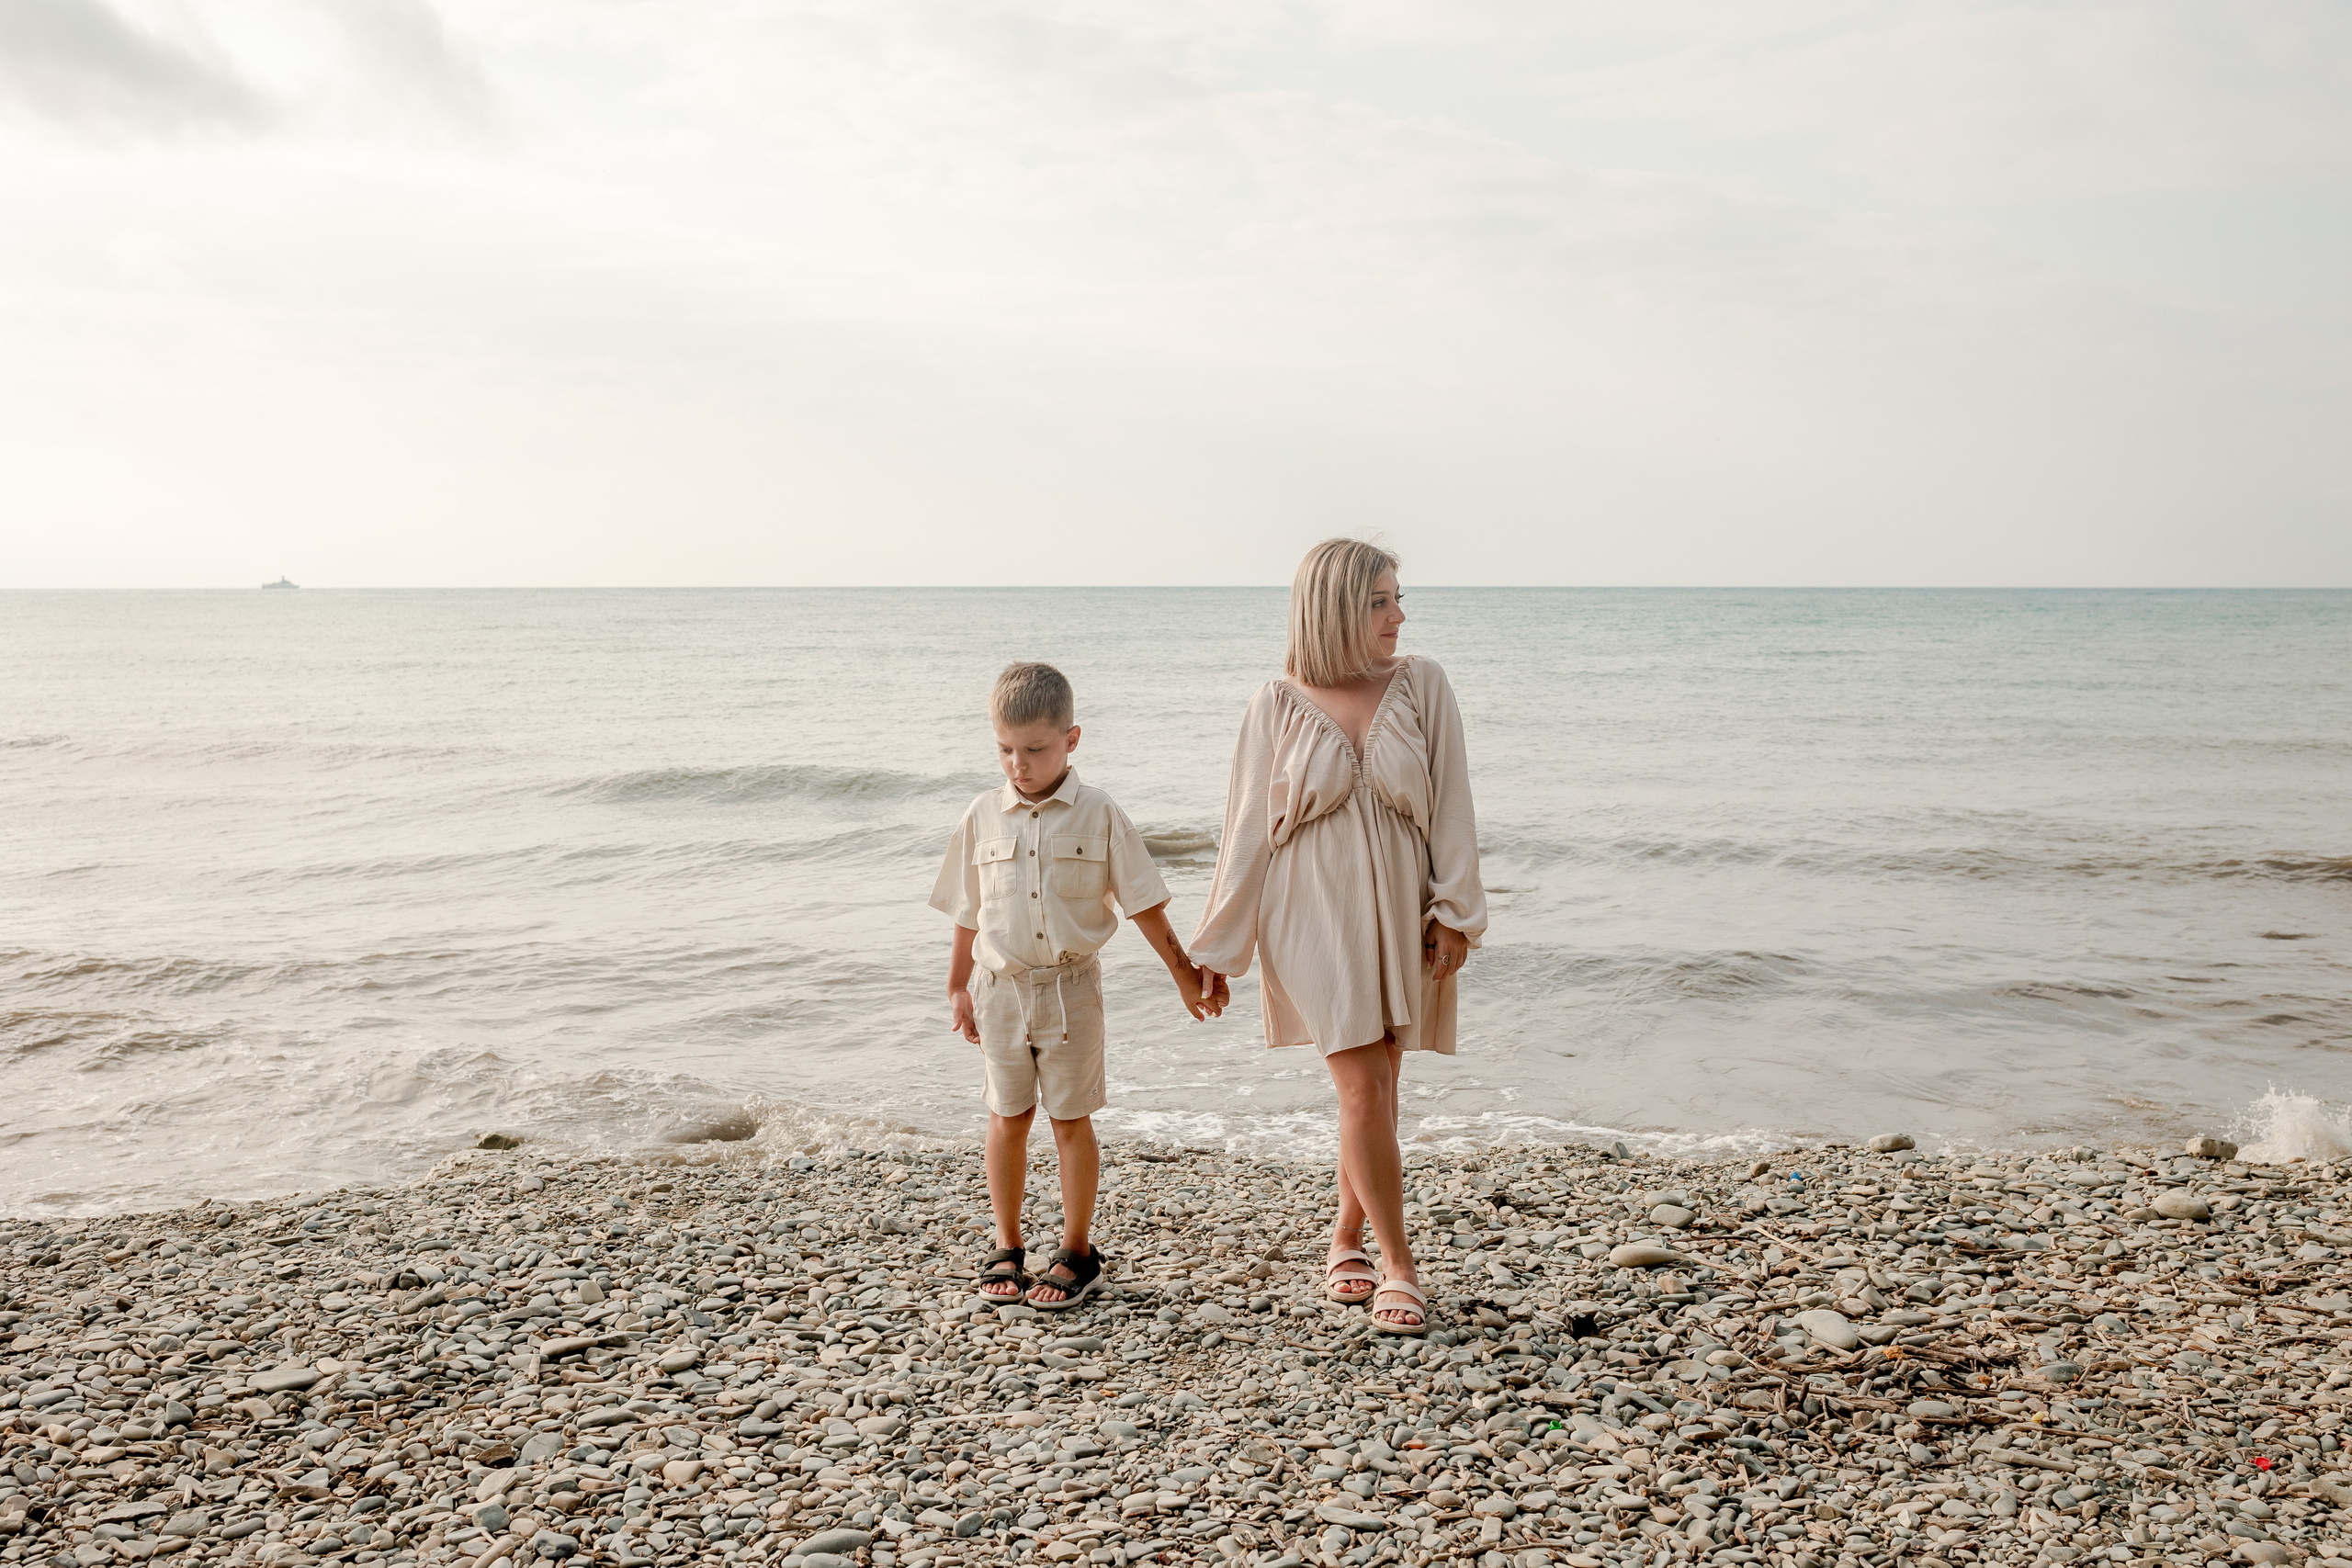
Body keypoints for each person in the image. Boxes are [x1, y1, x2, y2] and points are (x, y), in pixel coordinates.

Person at [1189, 540, 1486, 1334]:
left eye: (1398, 598)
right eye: (1382, 600)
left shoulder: (1422, 683)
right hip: (1307, 909)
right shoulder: (1275, 702)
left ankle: (1346, 1234)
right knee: (1360, 1086)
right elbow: (1245, 832)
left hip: (1399, 901)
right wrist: (1218, 950)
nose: (1399, 615)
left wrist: (1455, 908)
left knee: (1383, 1084)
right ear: (1338, 607)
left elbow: (1452, 802)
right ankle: (1400, 1264)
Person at [931, 661, 1226, 1310]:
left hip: (1072, 991)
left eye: (1035, 748)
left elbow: (1144, 901)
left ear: (1072, 738)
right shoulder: (982, 815)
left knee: (1070, 1119)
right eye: (1005, 749)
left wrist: (1184, 973)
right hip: (999, 988)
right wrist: (957, 986)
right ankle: (1006, 1244)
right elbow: (965, 907)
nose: (1019, 764)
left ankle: (1076, 1250)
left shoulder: (1099, 813)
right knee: (1007, 1117)